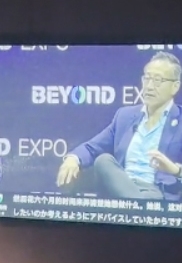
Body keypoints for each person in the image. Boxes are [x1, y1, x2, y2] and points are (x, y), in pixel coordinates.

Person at [57, 51, 182, 200]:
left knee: (148, 199)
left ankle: (137, 205)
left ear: (175, 86)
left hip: (156, 192)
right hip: (121, 185)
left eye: (157, 80)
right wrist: (73, 159)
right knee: (104, 160)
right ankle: (138, 206)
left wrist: (176, 170)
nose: (149, 86)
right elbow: (92, 147)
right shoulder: (125, 116)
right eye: (147, 78)